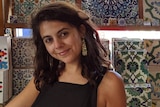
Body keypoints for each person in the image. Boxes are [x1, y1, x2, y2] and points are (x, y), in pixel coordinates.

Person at [5, 1, 126, 107]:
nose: (57, 45)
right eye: (49, 40)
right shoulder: (44, 78)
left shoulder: (110, 83)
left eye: (63, 34)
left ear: (81, 31)